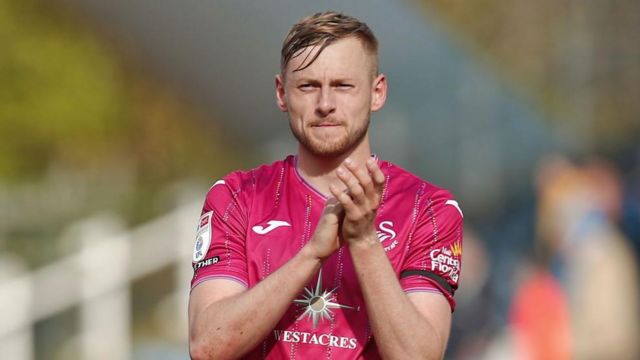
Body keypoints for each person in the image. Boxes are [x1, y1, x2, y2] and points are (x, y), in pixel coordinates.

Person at [188, 11, 464, 359]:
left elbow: (419, 356)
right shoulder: (237, 196)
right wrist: (312, 255)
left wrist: (364, 241)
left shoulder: (429, 209)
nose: (325, 105)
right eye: (308, 86)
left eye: (343, 86)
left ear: (377, 93)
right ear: (281, 93)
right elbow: (207, 347)